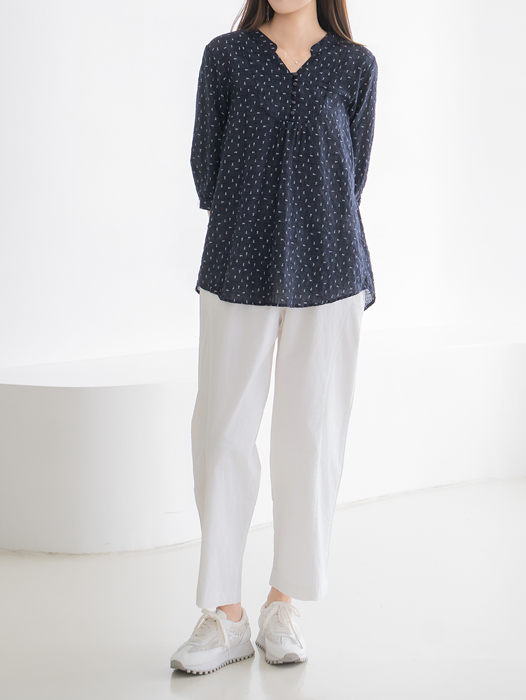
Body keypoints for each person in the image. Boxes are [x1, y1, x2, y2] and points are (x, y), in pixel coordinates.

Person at [170, 0, 378, 675]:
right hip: (238, 260)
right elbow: (206, 167)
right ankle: (224, 614)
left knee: (311, 437)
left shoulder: (355, 66)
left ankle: (283, 603)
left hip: (332, 266)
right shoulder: (226, 57)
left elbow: (353, 177)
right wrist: (262, 207)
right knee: (221, 434)